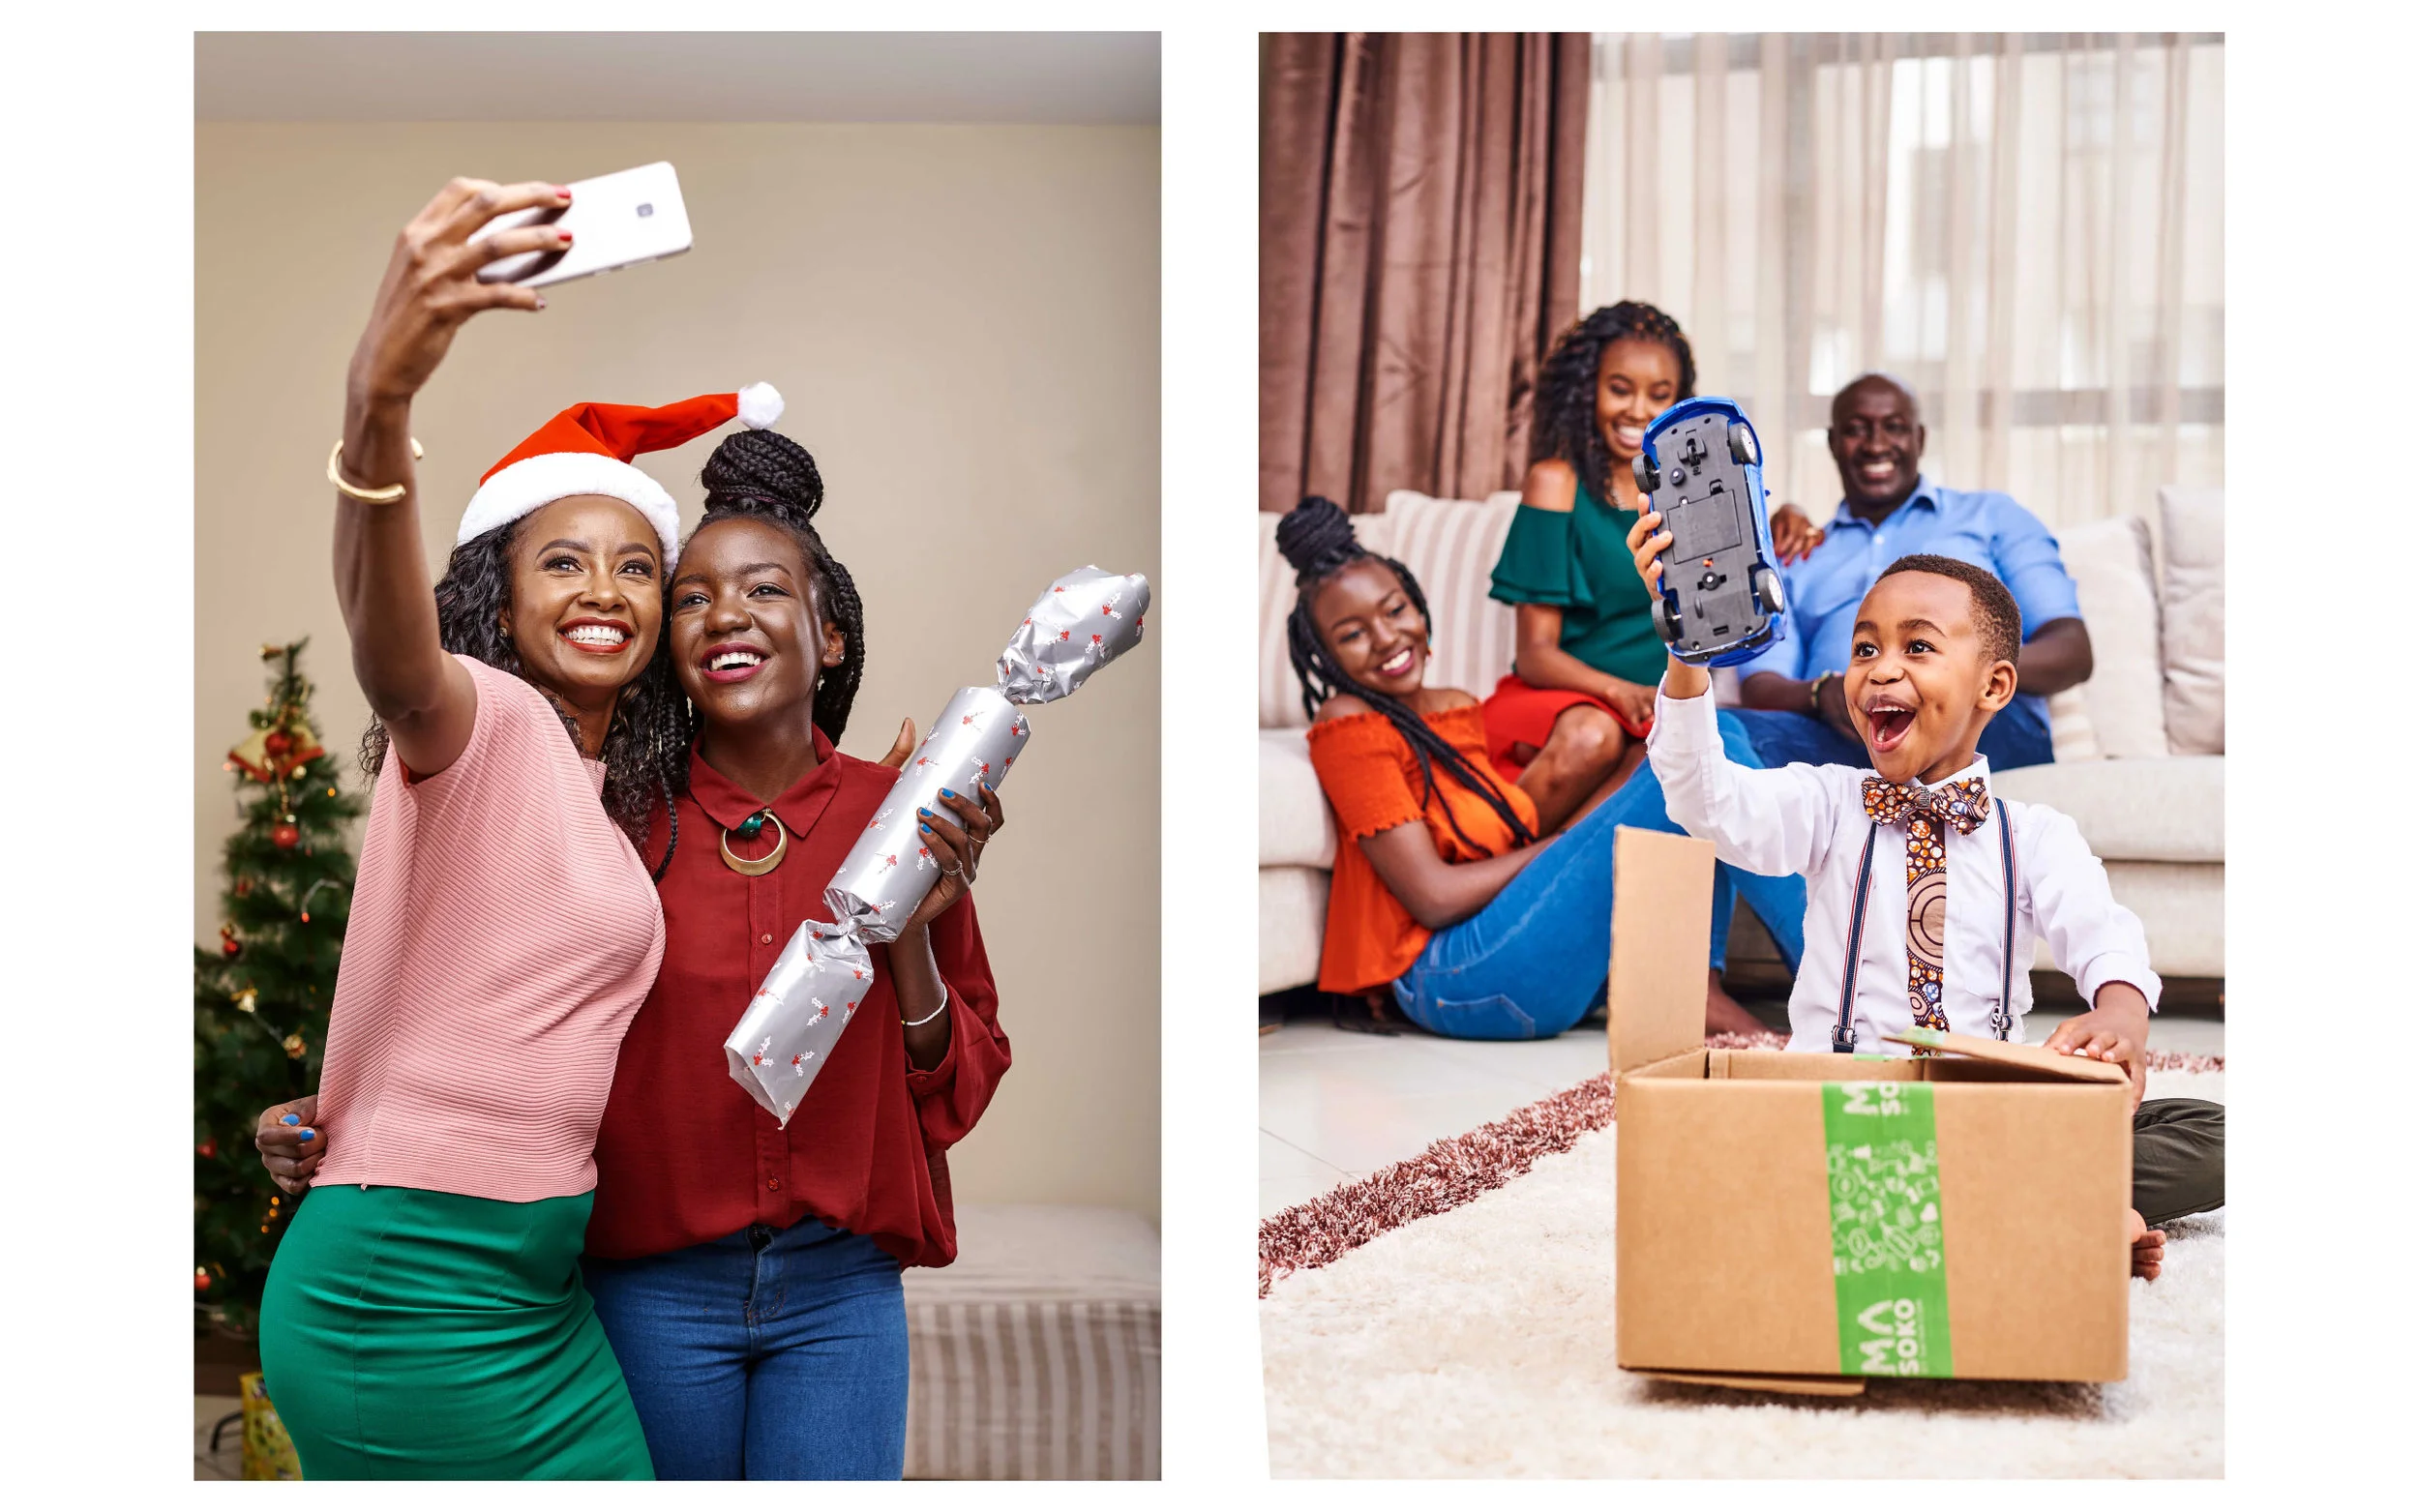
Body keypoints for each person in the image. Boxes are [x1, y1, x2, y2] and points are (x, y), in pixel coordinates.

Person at [261, 424, 1011, 1480]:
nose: (725, 615)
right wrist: (332, 1117)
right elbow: (478, 989)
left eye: (763, 589)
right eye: (694, 595)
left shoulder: (906, 823)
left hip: (841, 1291)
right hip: (646, 1289)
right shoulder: (607, 819)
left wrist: (916, 935)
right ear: (669, 638)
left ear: (830, 634)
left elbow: (953, 1096)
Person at [253, 176, 716, 1479]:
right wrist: (378, 403)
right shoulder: (487, 721)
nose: (606, 589)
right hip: (412, 1287)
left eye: (636, 564)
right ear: (495, 601)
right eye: (562, 560)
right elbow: (395, 659)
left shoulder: (608, 789)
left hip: (533, 1290)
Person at [1626, 519, 2222, 1278]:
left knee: (2213, 1132)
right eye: (1865, 647)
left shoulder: (2034, 834)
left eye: (1917, 646)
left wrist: (2121, 1013)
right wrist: (1685, 653)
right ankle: (2047, 1204)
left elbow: (2104, 935)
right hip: (1835, 1117)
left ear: (1994, 686)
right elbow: (1702, 798)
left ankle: (2004, 1194)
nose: (1879, 669)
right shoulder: (1826, 802)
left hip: (1982, 1122)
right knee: (1714, 1138)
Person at [1282, 495, 1803, 1041]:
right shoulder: (1347, 723)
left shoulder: (1453, 706)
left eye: (1394, 610)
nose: (1388, 638)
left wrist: (1592, 819)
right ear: (1324, 655)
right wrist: (1573, 837)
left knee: (1706, 746)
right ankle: (1842, 981)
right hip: (1449, 979)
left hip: (1509, 941)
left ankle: (1715, 986)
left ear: (1417, 605)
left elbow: (1504, 837)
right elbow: (1433, 897)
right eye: (1352, 634)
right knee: (1693, 753)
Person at [1478, 301, 1814, 1028]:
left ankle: (1718, 980)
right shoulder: (1555, 481)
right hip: (1563, 694)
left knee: (1706, 751)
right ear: (1587, 390)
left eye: (1660, 395)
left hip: (1658, 700)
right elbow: (1535, 651)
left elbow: (1736, 561)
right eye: (1620, 387)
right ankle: (1843, 965)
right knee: (1669, 745)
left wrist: (1780, 513)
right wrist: (1618, 693)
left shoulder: (1686, 485)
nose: (1639, 408)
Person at [1730, 371, 2094, 774]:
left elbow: (2072, 650)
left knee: (1948, 720)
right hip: (1846, 735)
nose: (1876, 444)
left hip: (1980, 725)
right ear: (1834, 443)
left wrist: (1951, 674)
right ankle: (1658, 839)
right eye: (1856, 430)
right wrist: (1823, 693)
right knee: (1724, 735)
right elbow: (1762, 684)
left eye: (1894, 427)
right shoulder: (1798, 554)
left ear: (1919, 439)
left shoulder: (1990, 516)